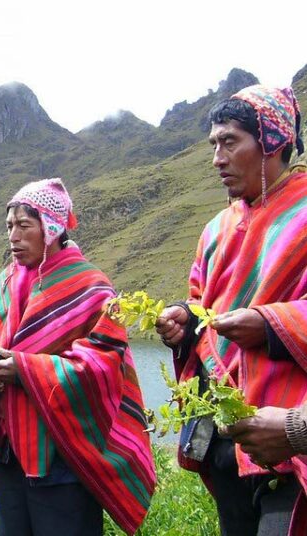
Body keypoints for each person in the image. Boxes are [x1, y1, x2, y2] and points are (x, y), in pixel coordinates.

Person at [0, 178, 156, 536]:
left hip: (65, 457)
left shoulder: (91, 287)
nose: (13, 237)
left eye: (24, 226)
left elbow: (101, 364)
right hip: (10, 456)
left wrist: (24, 369)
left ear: (51, 228)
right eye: (9, 227)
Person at [156, 84, 306, 535]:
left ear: (273, 141)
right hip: (225, 436)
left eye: (229, 142)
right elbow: (204, 301)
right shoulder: (216, 229)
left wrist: (270, 323)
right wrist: (185, 319)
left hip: (285, 431)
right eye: (213, 145)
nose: (217, 158)